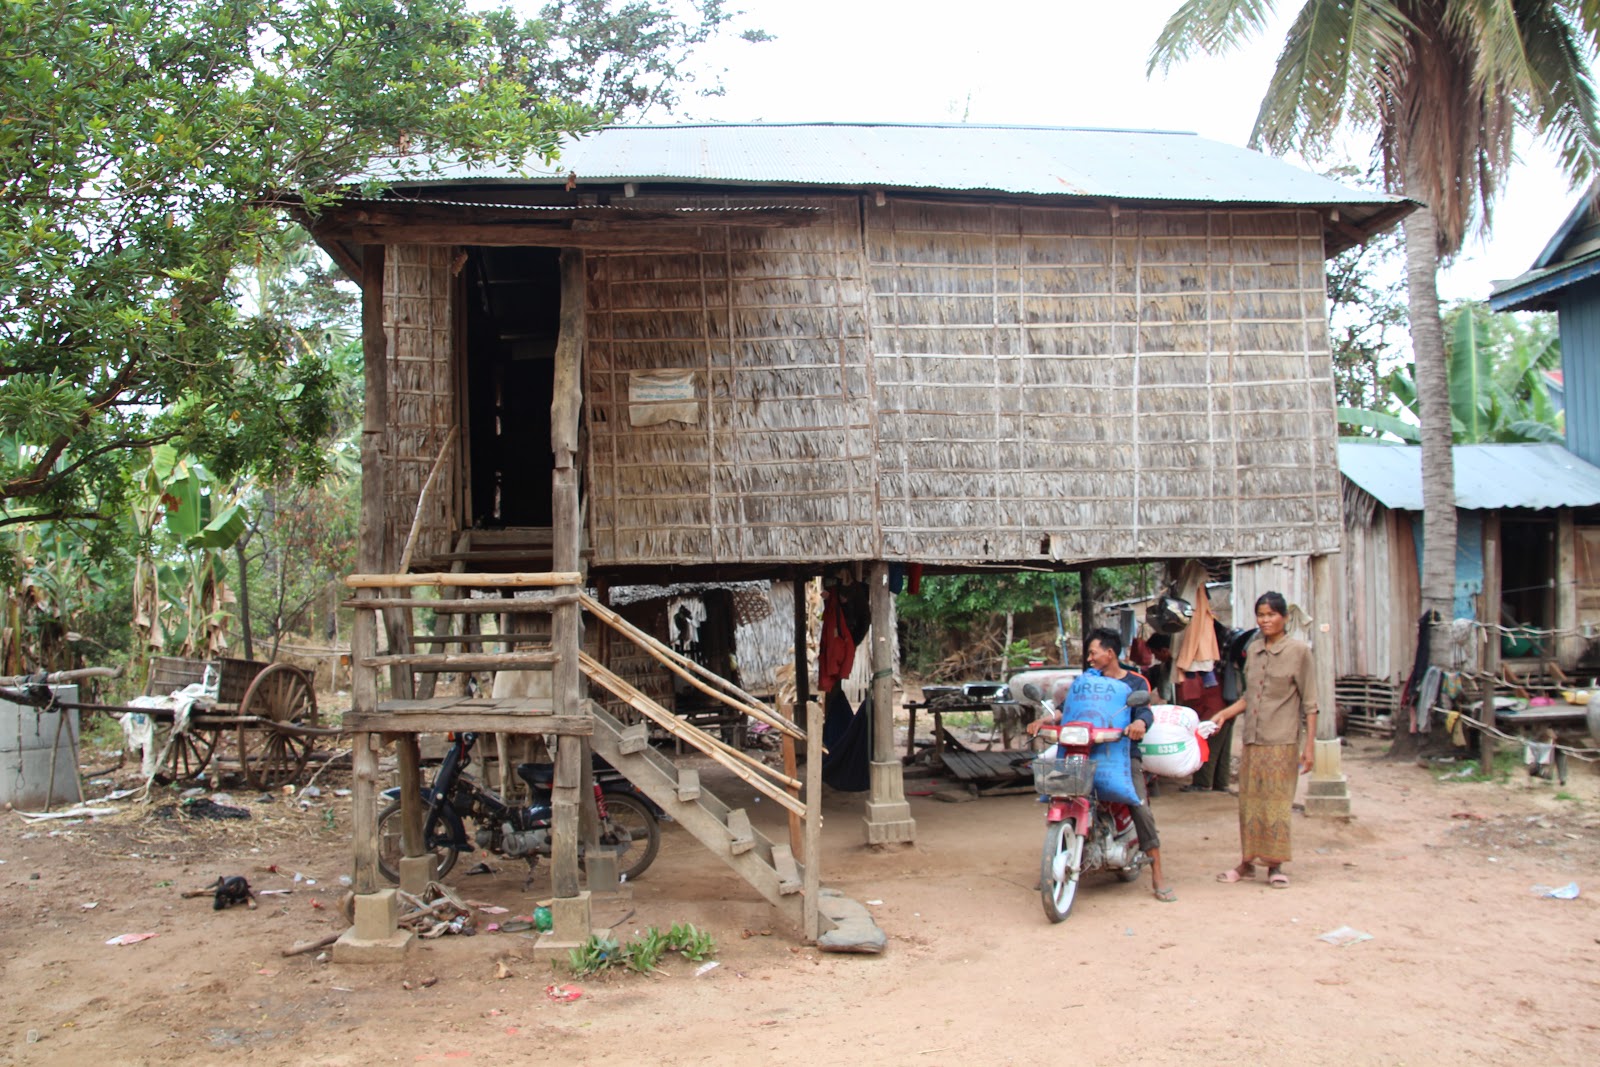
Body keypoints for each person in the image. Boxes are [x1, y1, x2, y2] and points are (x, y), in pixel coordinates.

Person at [1028, 627, 1174, 902]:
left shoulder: (1135, 682)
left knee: (1139, 805)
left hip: (1120, 752)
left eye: (1093, 653)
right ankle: (1053, 860)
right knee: (1061, 792)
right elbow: (1065, 708)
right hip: (1082, 748)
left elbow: (1144, 711)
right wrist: (1045, 720)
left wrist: (1139, 723)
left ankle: (1158, 874)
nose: (1090, 658)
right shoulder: (1086, 682)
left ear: (1110, 653)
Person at [1208, 592, 1317, 889]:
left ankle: (1274, 865)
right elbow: (1249, 696)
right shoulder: (1253, 651)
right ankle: (1246, 862)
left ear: (1284, 618)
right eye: (1261, 615)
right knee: (1249, 803)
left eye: (1271, 615)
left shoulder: (1299, 652)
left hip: (1282, 740)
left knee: (1276, 804)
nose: (1265, 620)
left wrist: (1309, 748)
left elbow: (1311, 704)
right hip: (1253, 740)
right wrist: (1224, 714)